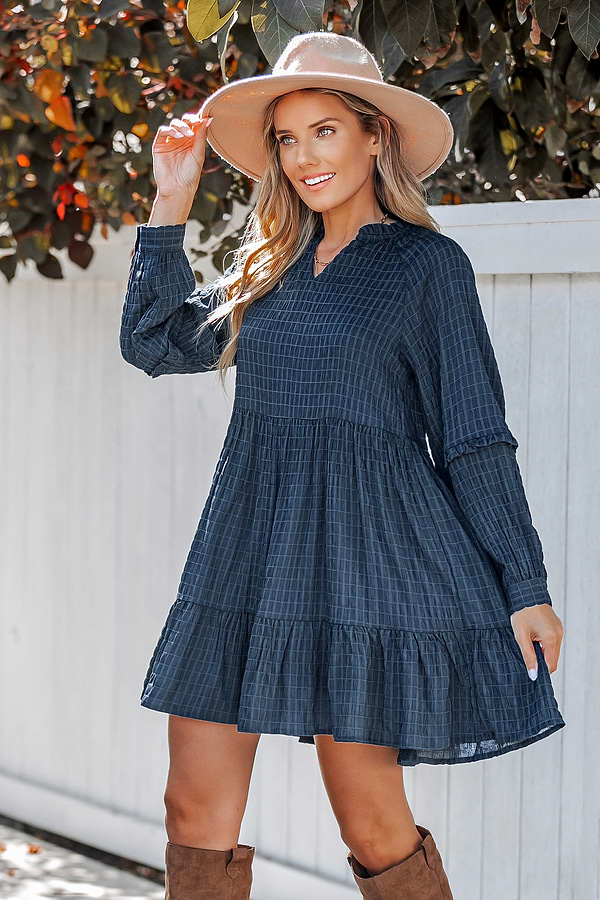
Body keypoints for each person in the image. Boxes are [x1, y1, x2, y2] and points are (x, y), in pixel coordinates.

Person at [120, 31, 566, 900]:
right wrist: (171, 200)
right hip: (246, 551)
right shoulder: (269, 264)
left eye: (324, 131)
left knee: (371, 825)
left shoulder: (427, 266)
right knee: (191, 808)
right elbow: (153, 342)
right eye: (287, 139)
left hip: (368, 565)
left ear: (374, 136)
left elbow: (474, 436)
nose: (303, 158)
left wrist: (525, 583)